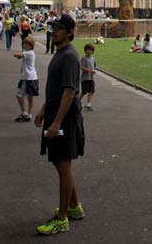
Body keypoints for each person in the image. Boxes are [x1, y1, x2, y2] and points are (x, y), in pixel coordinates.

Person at [34, 15, 85, 235]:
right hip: (55, 112)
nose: (54, 31)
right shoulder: (61, 53)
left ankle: (62, 218)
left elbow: (69, 91)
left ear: (70, 32)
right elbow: (56, 87)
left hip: (64, 117)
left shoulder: (70, 57)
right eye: (53, 28)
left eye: (59, 28)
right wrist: (44, 109)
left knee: (63, 165)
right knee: (59, 163)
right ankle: (74, 207)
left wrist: (55, 122)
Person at [13, 36, 40, 121]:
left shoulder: (30, 53)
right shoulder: (27, 52)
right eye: (24, 43)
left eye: (26, 44)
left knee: (21, 95)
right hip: (28, 77)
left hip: (29, 78)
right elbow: (21, 57)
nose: (24, 45)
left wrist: (15, 54)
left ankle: (26, 113)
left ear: (31, 45)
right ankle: (28, 113)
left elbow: (19, 55)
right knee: (28, 96)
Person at [80, 44, 97, 111]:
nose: (89, 51)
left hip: (91, 78)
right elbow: (82, 67)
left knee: (92, 91)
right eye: (87, 50)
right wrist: (90, 71)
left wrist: (93, 70)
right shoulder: (84, 58)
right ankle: (77, 101)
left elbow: (94, 66)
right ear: (85, 50)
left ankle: (88, 104)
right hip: (85, 78)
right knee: (84, 91)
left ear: (92, 51)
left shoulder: (93, 58)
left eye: (90, 50)